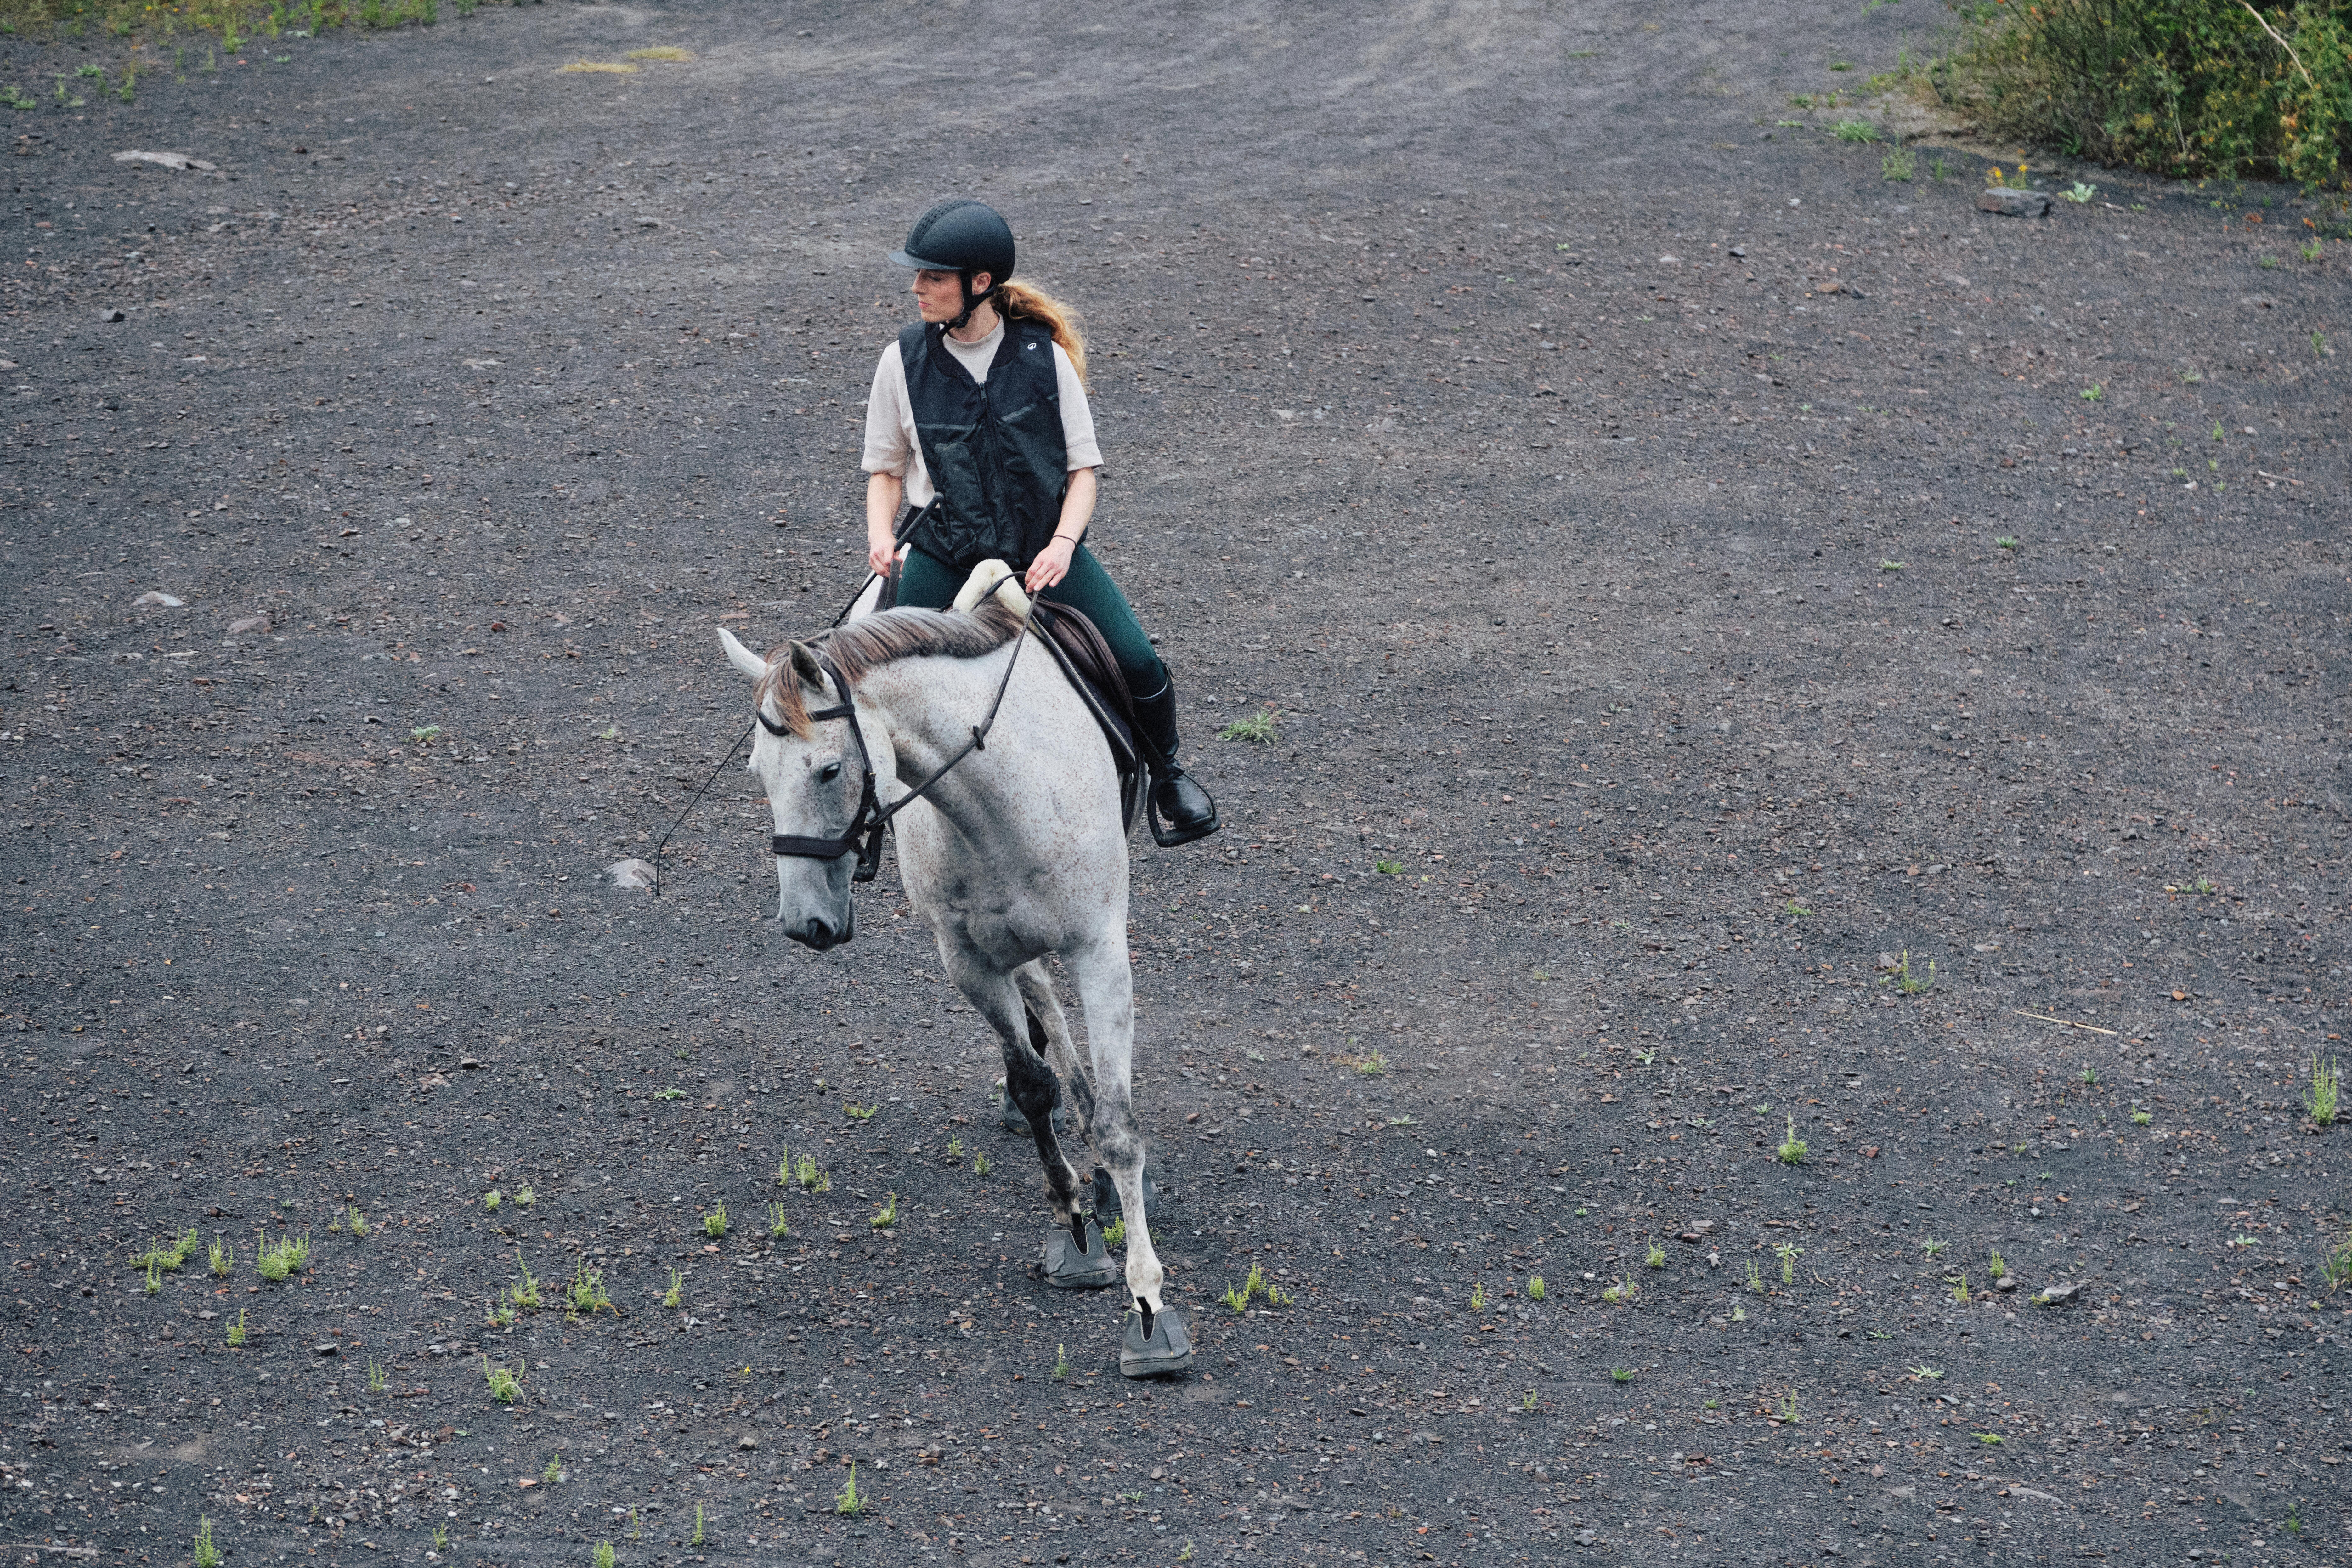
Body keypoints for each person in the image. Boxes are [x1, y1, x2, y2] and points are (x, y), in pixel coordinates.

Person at [858, 197, 1219, 845]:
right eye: (918, 277)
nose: (916, 289)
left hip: (1041, 550)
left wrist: (1061, 544)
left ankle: (1169, 774)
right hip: (943, 552)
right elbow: (885, 470)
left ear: (979, 284)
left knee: (1136, 660)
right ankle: (872, 822)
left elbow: (1083, 471)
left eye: (932, 278)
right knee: (880, 680)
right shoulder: (901, 361)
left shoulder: (1042, 357)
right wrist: (881, 536)